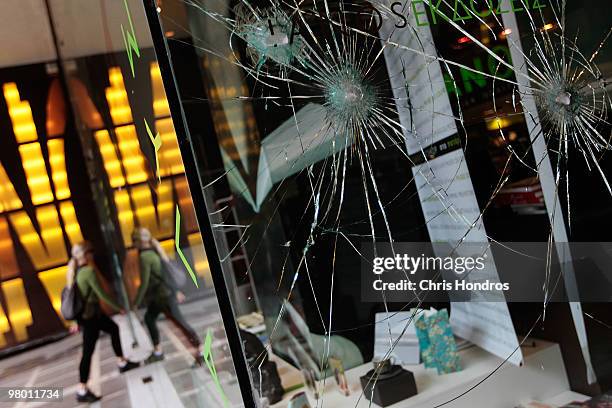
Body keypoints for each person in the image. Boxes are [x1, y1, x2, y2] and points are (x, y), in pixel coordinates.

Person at [66, 242, 139, 403]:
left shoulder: (77, 272)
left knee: (113, 329)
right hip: (90, 318)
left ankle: (122, 362)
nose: (92, 255)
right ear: (84, 255)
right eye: (89, 252)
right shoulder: (88, 271)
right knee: (88, 351)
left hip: (92, 316)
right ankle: (82, 389)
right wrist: (117, 307)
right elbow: (101, 294)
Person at [131, 227, 203, 365]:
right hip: (161, 296)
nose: (133, 244)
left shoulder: (145, 256)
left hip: (163, 296)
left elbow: (145, 282)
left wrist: (136, 302)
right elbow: (164, 273)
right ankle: (158, 352)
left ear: (139, 241)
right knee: (149, 318)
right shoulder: (154, 251)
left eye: (134, 241)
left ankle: (200, 349)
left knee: (180, 323)